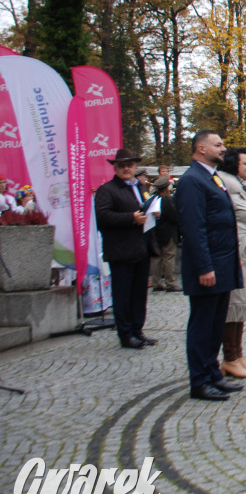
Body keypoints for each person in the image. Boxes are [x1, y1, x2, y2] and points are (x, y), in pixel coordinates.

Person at [176, 130, 243, 401]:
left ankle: (213, 374)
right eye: (218, 145)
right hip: (208, 267)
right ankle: (200, 381)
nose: (223, 148)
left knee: (216, 324)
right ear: (201, 149)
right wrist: (204, 267)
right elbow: (194, 228)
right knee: (203, 325)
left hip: (223, 263)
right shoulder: (192, 180)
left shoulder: (211, 176)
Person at [94, 148, 156, 349]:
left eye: (130, 165)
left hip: (141, 247)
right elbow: (103, 217)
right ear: (115, 167)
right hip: (121, 250)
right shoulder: (107, 190)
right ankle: (126, 334)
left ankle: (138, 330)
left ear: (135, 167)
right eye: (122, 165)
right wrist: (131, 218)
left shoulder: (140, 187)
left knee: (139, 294)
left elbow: (145, 207)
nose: (126, 168)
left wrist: (155, 214)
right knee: (123, 295)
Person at [218, 147, 246, 379]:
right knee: (234, 305)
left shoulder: (242, 187)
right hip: (237, 252)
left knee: (243, 305)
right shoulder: (225, 186)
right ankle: (230, 357)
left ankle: (238, 355)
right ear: (233, 164)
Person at [150, 176, 181, 291]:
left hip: (157, 233)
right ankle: (170, 282)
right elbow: (175, 217)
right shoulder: (168, 200)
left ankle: (156, 282)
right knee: (169, 258)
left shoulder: (153, 199)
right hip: (168, 233)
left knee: (157, 259)